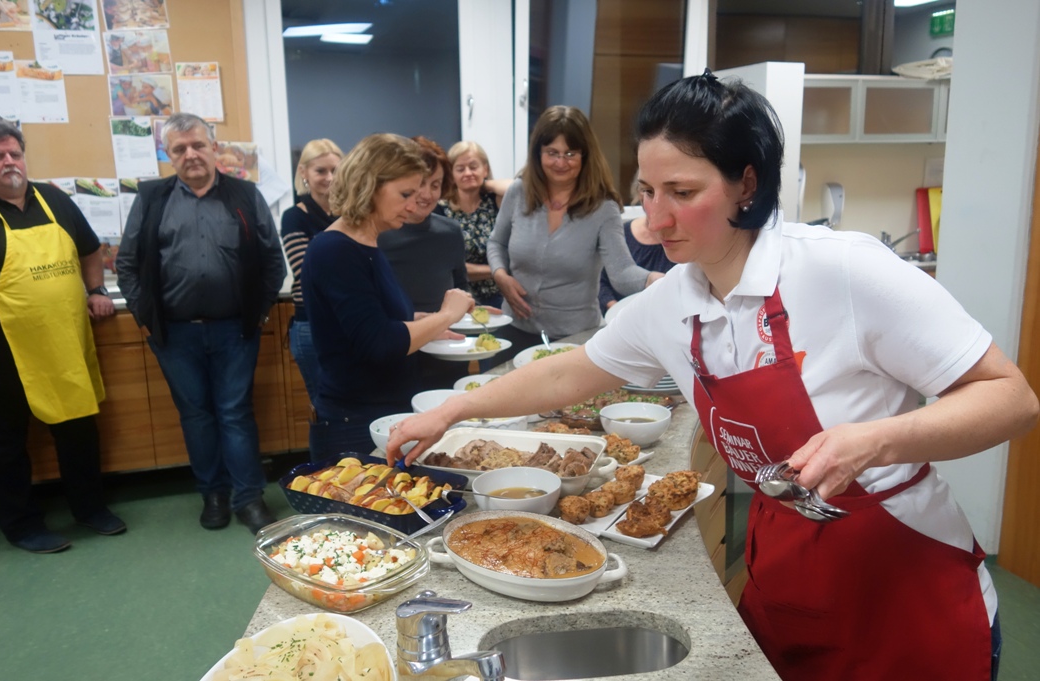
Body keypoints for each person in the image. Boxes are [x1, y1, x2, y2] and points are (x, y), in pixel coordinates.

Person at [389, 73, 1038, 681]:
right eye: (646, 191)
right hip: (785, 574)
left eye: (682, 192)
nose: (655, 217)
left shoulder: (843, 270)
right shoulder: (674, 302)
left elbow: (1010, 398)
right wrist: (451, 412)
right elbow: (569, 374)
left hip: (902, 582)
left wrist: (874, 441)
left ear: (745, 185)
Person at [116, 112, 286, 535]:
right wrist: (146, 317)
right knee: (195, 415)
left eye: (198, 145)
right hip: (175, 333)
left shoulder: (245, 195)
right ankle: (213, 494)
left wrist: (258, 311)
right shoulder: (153, 197)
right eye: (179, 149)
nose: (190, 154)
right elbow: (128, 264)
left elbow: (272, 262)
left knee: (234, 413)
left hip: (235, 330)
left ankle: (249, 497)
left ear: (214, 148)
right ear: (169, 156)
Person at [0, 120, 125, 553]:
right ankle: (23, 525)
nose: (9, 162)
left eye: (14, 153)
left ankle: (90, 508)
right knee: (5, 441)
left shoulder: (54, 199)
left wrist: (97, 289)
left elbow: (90, 248)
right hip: (0, 347)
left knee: (77, 426)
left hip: (64, 339)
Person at [302, 133, 474, 461]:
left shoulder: (368, 243)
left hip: (381, 409)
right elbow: (379, 343)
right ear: (370, 186)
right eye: (405, 193)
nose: (414, 204)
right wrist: (447, 315)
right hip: (353, 420)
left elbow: (375, 322)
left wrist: (425, 324)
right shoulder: (335, 249)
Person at [487, 105, 662, 353]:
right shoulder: (518, 192)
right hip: (514, 330)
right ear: (538, 154)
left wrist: (653, 280)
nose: (560, 162)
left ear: (585, 156)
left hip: (574, 340)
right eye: (552, 152)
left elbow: (622, 272)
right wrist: (500, 275)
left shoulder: (603, 207)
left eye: (570, 153)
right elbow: (497, 243)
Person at [378, 136, 473, 390]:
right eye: (420, 184)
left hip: (446, 355)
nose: (427, 194)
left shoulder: (450, 231)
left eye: (436, 184)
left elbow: (460, 287)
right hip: (395, 356)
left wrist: (476, 310)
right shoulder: (378, 232)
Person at [280, 137, 342, 406]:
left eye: (335, 170)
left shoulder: (352, 213)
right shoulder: (295, 216)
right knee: (324, 403)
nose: (329, 178)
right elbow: (307, 271)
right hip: (312, 324)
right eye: (320, 171)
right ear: (303, 172)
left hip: (348, 322)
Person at [436, 141, 503, 308]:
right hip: (457, 298)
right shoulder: (439, 209)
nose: (468, 173)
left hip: (498, 295)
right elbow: (449, 267)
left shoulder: (495, 202)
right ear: (450, 175)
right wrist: (499, 271)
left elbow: (516, 189)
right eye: (460, 169)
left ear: (485, 169)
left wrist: (486, 183)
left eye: (474, 167)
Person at [599, 178, 675, 311]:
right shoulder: (619, 232)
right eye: (647, 191)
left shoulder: (682, 240)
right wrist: (616, 310)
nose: (655, 200)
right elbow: (601, 281)